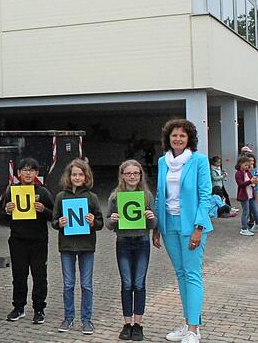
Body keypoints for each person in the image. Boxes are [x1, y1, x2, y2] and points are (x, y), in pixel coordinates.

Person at [152, 119, 213, 343]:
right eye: (174, 135)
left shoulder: (198, 161)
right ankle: (188, 322)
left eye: (182, 136)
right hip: (169, 225)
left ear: (189, 139)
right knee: (180, 274)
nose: (177, 139)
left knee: (192, 274)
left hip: (192, 226)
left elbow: (205, 196)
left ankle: (194, 330)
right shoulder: (162, 162)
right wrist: (157, 226)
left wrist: (199, 227)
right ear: (168, 138)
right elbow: (160, 194)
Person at [0, 157, 54, 325]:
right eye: (24, 170)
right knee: (19, 276)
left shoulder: (43, 192)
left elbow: (55, 215)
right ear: (18, 173)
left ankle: (39, 309)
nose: (28, 173)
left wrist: (43, 210)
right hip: (17, 240)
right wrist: (7, 211)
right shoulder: (11, 190)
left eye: (31, 170)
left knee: (39, 276)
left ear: (36, 173)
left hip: (38, 240)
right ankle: (18, 307)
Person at [105, 159, 156, 341]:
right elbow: (108, 224)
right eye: (128, 173)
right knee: (127, 283)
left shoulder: (147, 196)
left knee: (139, 283)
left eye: (136, 173)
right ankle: (126, 324)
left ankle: (138, 325)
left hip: (142, 241)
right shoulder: (115, 196)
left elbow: (154, 223)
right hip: (123, 242)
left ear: (140, 175)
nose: (132, 176)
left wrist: (151, 217)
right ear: (122, 176)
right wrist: (113, 219)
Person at [51, 159, 103, 335]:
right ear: (69, 176)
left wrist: (93, 221)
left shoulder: (92, 197)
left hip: (87, 246)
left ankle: (86, 320)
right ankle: (68, 318)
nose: (77, 177)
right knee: (68, 284)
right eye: (74, 174)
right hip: (66, 246)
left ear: (86, 176)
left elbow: (101, 223)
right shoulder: (60, 196)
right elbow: (53, 221)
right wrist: (60, 222)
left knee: (86, 285)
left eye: (80, 174)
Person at [234, 155, 258, 236]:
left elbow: (252, 182)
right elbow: (240, 184)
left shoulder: (248, 172)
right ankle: (244, 228)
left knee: (255, 211)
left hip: (251, 195)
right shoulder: (238, 173)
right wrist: (251, 182)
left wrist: (254, 182)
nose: (247, 166)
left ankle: (256, 225)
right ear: (240, 164)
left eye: (248, 165)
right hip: (244, 196)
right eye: (246, 165)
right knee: (246, 212)